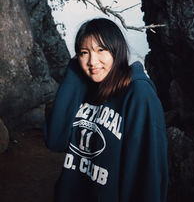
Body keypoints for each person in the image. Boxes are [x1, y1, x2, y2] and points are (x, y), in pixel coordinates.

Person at [44, 18, 168, 202]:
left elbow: (149, 172)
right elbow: (55, 140)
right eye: (84, 52)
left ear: (116, 50)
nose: (93, 61)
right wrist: (73, 70)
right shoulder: (84, 88)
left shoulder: (139, 95)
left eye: (101, 50)